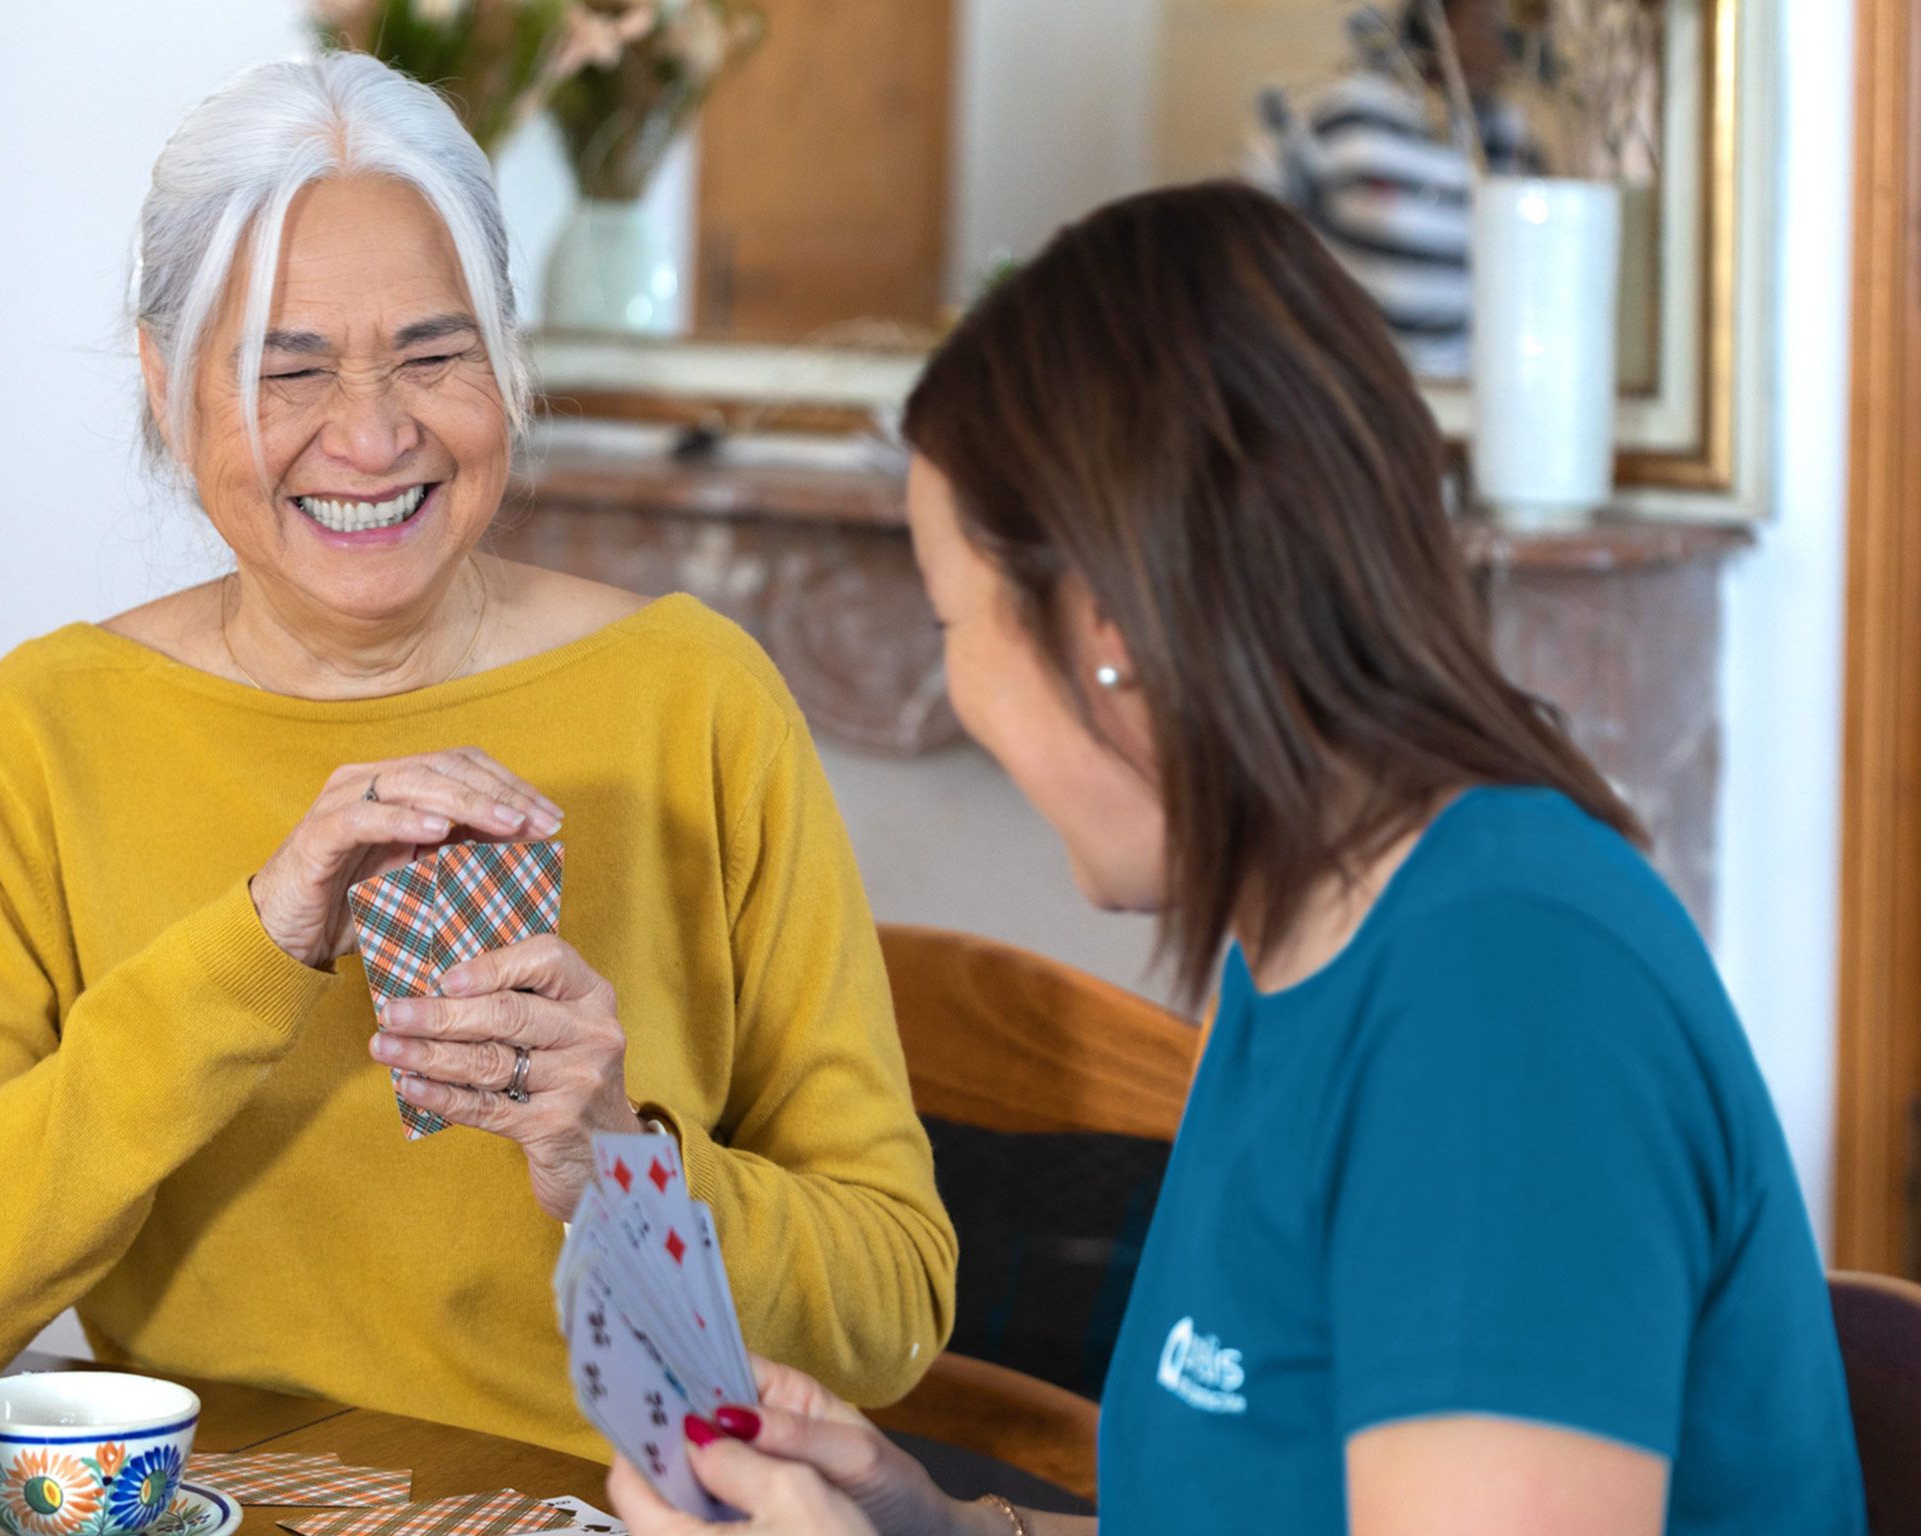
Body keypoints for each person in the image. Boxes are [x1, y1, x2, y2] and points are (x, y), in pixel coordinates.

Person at [609, 183, 1864, 1535]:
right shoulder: (1319, 948)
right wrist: (938, 1525)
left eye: (948, 623)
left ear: (1108, 633)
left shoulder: (1505, 1000)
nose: (958, 686)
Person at [0, 52, 954, 1458]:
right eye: (285, 369)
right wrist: (250, 948)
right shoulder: (44, 736)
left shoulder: (693, 698)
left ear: (508, 357)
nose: (371, 433)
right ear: (169, 385)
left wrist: (625, 1169)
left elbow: (893, 1314)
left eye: (433, 352)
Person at [1245, 0, 1540, 376]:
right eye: (1485, 27)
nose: (1500, 47)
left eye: (1511, 32)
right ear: (1436, 24)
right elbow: (1248, 233)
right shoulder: (1352, 112)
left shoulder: (1511, 139)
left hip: (1466, 397)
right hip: (1350, 385)